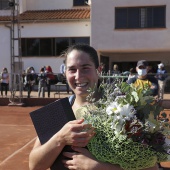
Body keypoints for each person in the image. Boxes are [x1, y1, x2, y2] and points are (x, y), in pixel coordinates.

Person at [29, 44, 159, 170]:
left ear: (99, 70)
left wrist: (100, 167)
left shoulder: (124, 109)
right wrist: (60, 138)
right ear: (65, 73)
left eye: (85, 68)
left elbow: (152, 167)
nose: (78, 76)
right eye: (72, 69)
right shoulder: (57, 111)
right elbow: (34, 165)